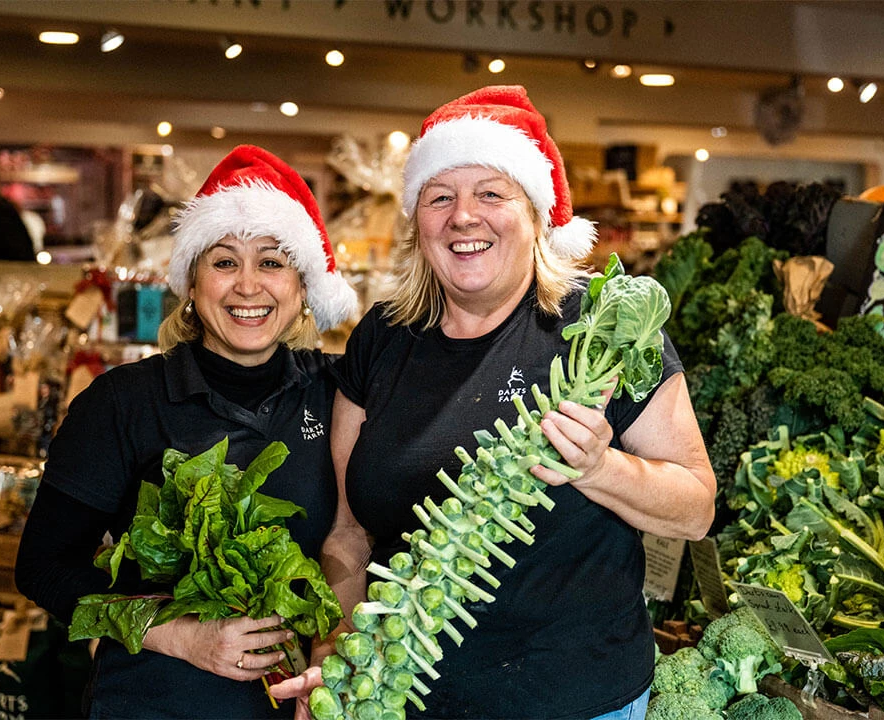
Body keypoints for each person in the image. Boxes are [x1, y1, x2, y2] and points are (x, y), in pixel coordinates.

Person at [272, 86, 717, 719]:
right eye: (441, 196)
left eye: (491, 193)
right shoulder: (383, 337)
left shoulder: (595, 326)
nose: (463, 217)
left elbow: (695, 508)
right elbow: (348, 533)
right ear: (418, 220)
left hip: (574, 699)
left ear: (535, 213)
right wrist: (334, 651)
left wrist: (600, 468)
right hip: (400, 698)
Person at [15, 145, 359, 719]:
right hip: (153, 703)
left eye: (272, 262)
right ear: (192, 286)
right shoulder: (123, 403)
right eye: (224, 262)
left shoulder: (337, 394)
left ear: (303, 288)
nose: (248, 286)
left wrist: (331, 662)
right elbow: (43, 569)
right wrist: (180, 634)